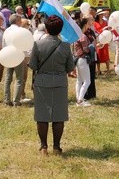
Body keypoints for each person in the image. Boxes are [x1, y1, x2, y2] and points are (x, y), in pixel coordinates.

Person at [28, 15, 75, 156]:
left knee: (42, 116)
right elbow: (70, 68)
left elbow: (33, 65)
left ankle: (43, 147)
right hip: (60, 83)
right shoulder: (66, 46)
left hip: (42, 83)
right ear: (60, 30)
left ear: (46, 28)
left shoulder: (37, 44)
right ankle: (56, 147)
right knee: (58, 116)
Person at [3, 14, 28, 107]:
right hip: (18, 55)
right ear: (17, 21)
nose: (21, 22)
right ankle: (16, 101)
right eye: (20, 20)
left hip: (8, 54)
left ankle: (7, 99)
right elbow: (24, 44)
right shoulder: (20, 31)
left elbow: (3, 44)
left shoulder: (6, 30)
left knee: (8, 78)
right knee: (19, 79)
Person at [73, 17, 94, 106]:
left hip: (78, 59)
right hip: (83, 59)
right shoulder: (83, 36)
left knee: (79, 81)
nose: (90, 25)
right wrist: (92, 47)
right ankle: (80, 100)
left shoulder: (77, 35)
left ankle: (78, 100)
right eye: (88, 23)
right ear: (85, 25)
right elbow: (86, 50)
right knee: (87, 81)